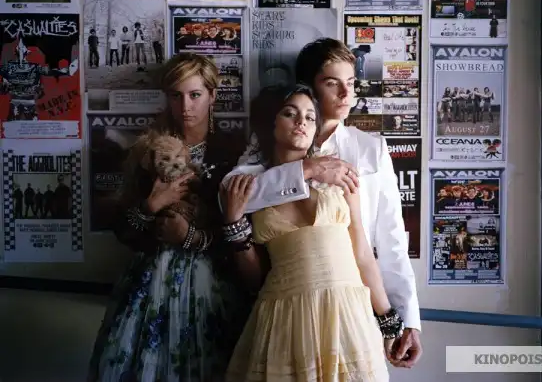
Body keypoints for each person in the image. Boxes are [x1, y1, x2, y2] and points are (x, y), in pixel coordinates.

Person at [221, 38, 423, 369]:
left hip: (357, 306)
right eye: (332, 83)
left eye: (351, 83)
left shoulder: (371, 149)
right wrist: (307, 170)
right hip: (286, 302)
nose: (346, 94)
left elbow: (391, 240)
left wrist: (407, 319)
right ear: (310, 86)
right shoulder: (272, 139)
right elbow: (233, 194)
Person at [88, 53, 249, 382]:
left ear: (212, 95)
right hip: (150, 281)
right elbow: (124, 231)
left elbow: (248, 232)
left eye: (195, 95)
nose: (185, 106)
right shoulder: (148, 149)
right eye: (176, 96)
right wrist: (152, 204)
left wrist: (191, 236)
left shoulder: (234, 152)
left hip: (213, 284)